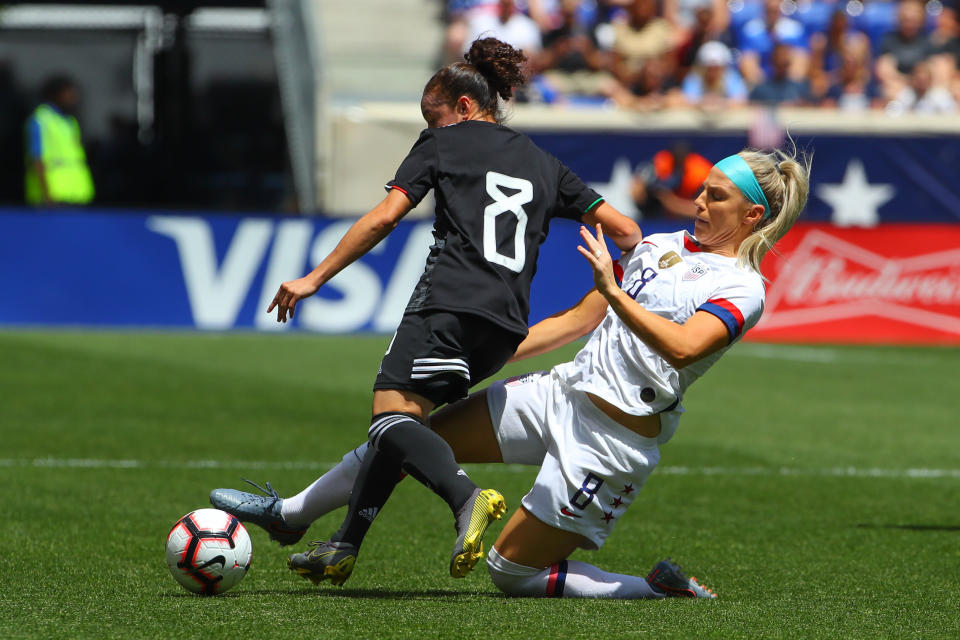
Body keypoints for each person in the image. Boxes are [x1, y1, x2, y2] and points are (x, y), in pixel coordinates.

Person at [212, 145, 811, 598]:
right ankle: (291, 514)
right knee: (410, 438)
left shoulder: (744, 288)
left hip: (612, 443)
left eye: (715, 198)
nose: (699, 203)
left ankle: (653, 588)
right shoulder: (659, 246)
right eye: (701, 191)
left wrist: (613, 289)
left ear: (753, 215)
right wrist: (483, 358)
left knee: (509, 574)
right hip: (563, 393)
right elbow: (580, 319)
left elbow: (683, 347)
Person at [212, 37, 642, 587]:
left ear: (464, 108)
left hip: (447, 303)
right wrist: (615, 285)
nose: (432, 127)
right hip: (503, 328)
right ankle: (339, 542)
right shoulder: (545, 164)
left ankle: (466, 499)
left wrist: (313, 277)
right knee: (403, 430)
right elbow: (628, 232)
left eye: (433, 117)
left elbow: (385, 217)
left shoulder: (444, 143)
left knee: (389, 419)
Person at [24, 75, 95, 206]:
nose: (73, 98)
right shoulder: (41, 120)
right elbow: (37, 158)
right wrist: (46, 194)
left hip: (78, 194)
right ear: (55, 95)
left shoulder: (70, 121)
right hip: (53, 196)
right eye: (68, 93)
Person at [631, 141, 713, 219]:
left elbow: (705, 209)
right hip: (657, 218)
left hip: (688, 221)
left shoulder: (701, 174)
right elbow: (638, 191)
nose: (678, 163)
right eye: (675, 160)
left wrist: (672, 203)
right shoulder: (660, 164)